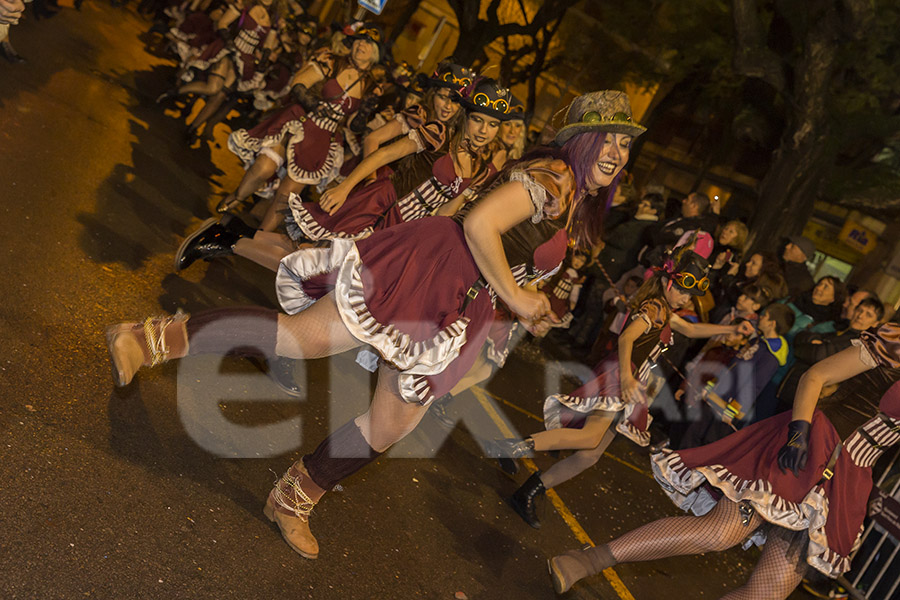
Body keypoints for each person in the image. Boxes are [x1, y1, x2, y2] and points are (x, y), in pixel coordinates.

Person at [106, 89, 645, 560]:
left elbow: (505, 244)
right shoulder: (551, 178)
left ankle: (294, 498)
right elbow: (479, 223)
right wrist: (518, 298)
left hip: (460, 303)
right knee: (299, 341)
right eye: (610, 140)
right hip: (436, 271)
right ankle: (146, 339)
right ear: (581, 140)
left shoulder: (570, 196)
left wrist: (527, 300)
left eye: (625, 145)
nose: (618, 154)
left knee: (390, 426)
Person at [548, 322, 900, 599]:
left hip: (848, 480)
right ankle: (589, 559)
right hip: (812, 445)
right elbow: (816, 376)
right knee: (718, 533)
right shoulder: (895, 341)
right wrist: (799, 433)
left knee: (769, 593)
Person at [489, 253, 755, 529]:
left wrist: (731, 327)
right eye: (683, 291)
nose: (686, 299)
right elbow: (626, 337)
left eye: (689, 295)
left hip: (632, 381)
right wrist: (627, 378)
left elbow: (691, 328)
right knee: (589, 437)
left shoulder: (667, 313)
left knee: (589, 456)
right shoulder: (654, 308)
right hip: (621, 375)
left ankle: (528, 491)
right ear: (667, 283)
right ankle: (512, 447)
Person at [172, 74, 504, 273]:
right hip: (376, 205)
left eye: (493, 125)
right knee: (311, 265)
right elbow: (383, 152)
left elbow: (445, 213)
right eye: (479, 119)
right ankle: (225, 240)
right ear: (466, 115)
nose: (484, 131)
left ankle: (229, 232)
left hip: (397, 227)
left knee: (312, 262)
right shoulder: (436, 133)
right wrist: (347, 187)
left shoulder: (477, 168)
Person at [219, 23, 384, 230]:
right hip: (298, 121)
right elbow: (299, 84)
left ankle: (256, 241)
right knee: (264, 167)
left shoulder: (370, 87)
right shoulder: (332, 62)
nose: (362, 46)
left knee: (287, 195)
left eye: (368, 44)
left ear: (375, 52)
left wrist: (365, 110)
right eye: (359, 40)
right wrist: (313, 104)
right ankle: (232, 201)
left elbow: (354, 125)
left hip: (321, 139)